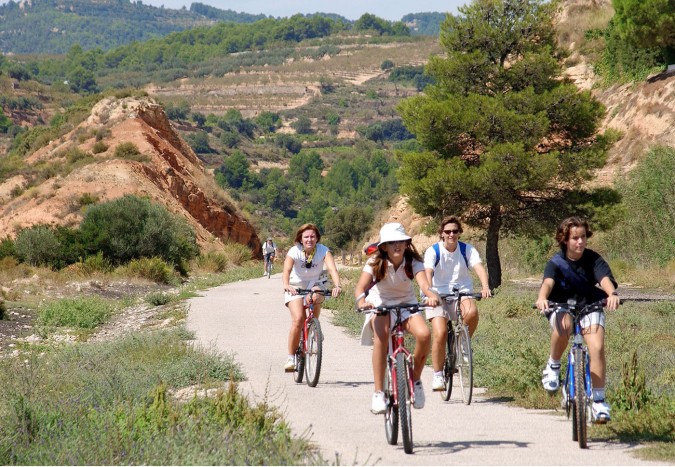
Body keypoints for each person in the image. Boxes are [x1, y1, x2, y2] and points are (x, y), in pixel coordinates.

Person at [535, 216, 620, 423]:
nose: (580, 242)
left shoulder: (593, 259)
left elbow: (604, 279)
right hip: (561, 306)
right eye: (575, 238)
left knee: (597, 347)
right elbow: (547, 282)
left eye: (583, 237)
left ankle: (599, 402)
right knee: (564, 325)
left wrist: (611, 294)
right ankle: (553, 365)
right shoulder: (556, 262)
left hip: (589, 305)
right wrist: (542, 298)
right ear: (565, 240)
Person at [355, 222, 440, 414]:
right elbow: (360, 288)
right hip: (381, 302)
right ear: (384, 246)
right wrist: (362, 302)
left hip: (406, 302)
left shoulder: (412, 261)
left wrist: (432, 296)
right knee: (381, 340)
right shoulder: (375, 262)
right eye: (392, 242)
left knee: (425, 334)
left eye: (401, 241)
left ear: (407, 243)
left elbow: (424, 284)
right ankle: (378, 392)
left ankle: (415, 380)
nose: (397, 246)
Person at [423, 215, 491, 391]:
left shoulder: (467, 250)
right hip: (437, 295)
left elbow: (479, 268)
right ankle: (438, 375)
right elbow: (428, 272)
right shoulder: (433, 251)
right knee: (440, 333)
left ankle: (461, 344)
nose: (451, 234)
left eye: (455, 231)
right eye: (448, 232)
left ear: (459, 233)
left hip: (461, 292)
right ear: (441, 234)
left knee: (472, 313)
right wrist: (430, 293)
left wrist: (485, 286)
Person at [282, 223, 341, 372]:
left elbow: (332, 269)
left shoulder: (323, 251)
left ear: (317, 238)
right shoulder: (294, 251)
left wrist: (337, 285)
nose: (309, 239)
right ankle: (290, 358)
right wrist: (286, 285)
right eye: (306, 236)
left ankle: (314, 327)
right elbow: (286, 270)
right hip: (296, 286)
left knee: (316, 296)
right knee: (298, 319)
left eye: (313, 236)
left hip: (315, 283)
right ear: (300, 239)